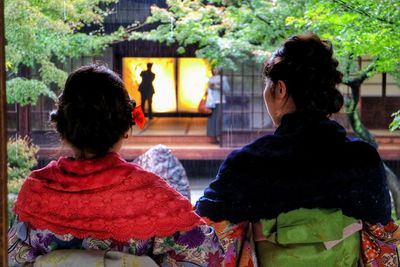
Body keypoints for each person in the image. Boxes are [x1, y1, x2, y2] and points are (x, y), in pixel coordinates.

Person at [196, 34, 399, 266]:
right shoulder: (363, 158)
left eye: (267, 86)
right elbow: (382, 236)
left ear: (280, 89)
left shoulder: (247, 163)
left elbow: (204, 236)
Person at [8, 64, 223, 266]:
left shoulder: (36, 190)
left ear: (62, 130)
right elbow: (207, 256)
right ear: (125, 130)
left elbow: (14, 258)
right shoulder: (153, 195)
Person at [206, 68, 230, 141]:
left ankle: (220, 136)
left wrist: (218, 87)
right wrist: (210, 87)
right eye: (214, 69)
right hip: (212, 102)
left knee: (220, 119)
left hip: (221, 101)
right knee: (212, 119)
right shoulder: (211, 79)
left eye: (217, 68)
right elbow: (208, 91)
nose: (215, 70)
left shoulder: (223, 78)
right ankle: (213, 136)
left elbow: (227, 90)